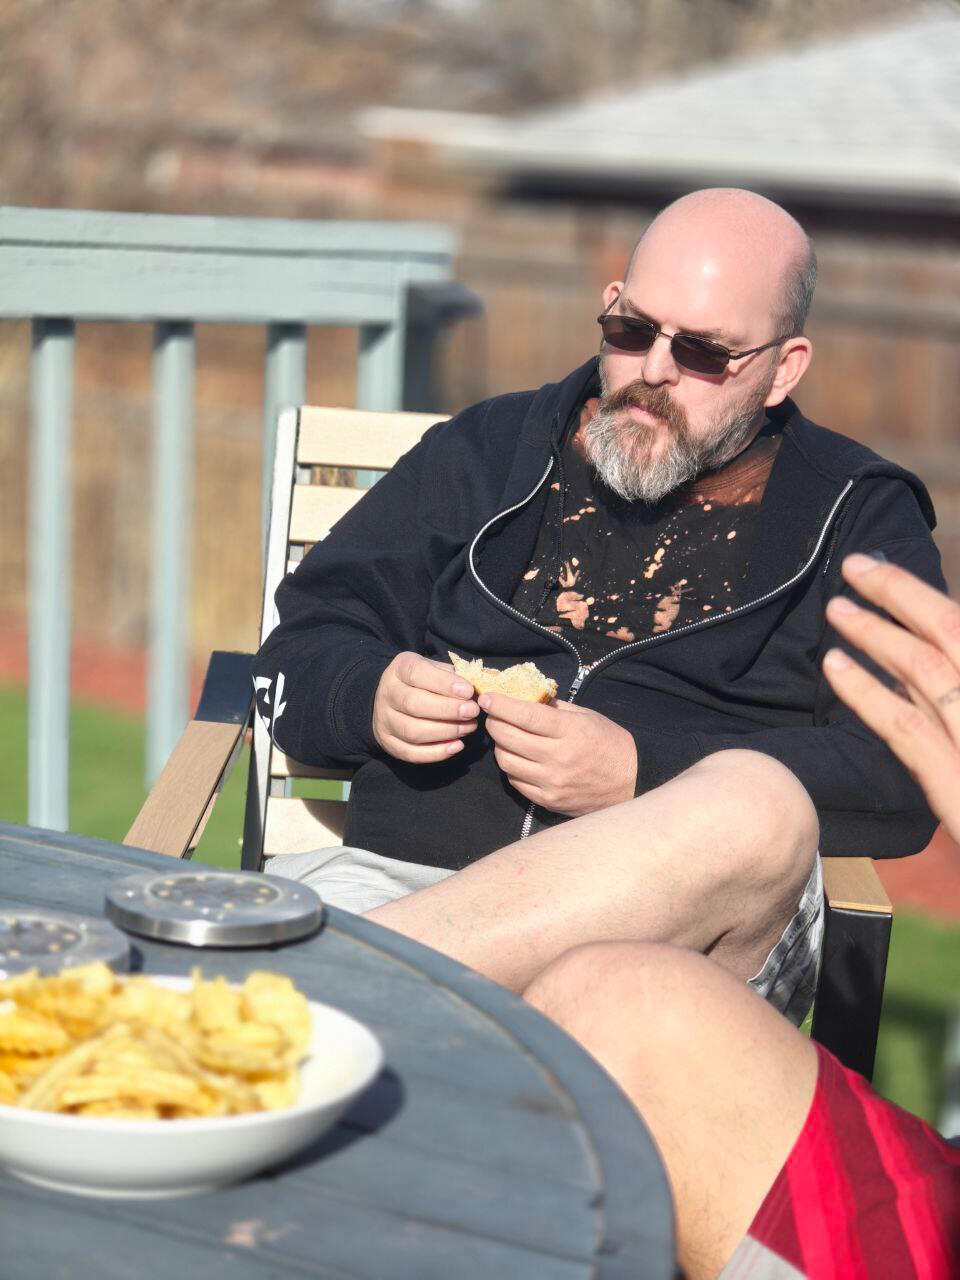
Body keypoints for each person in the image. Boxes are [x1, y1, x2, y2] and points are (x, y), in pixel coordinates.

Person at [253, 187, 944, 1019]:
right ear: (609, 305)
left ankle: (362, 988)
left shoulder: (855, 513)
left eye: (703, 352)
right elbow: (303, 645)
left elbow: (899, 770)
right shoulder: (485, 451)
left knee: (743, 815)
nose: (654, 371)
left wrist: (643, 772)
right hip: (402, 884)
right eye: (632, 330)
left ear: (782, 369)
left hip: (674, 943)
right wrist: (369, 696)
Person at [523, 554, 960, 1280]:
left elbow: (884, 785)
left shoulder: (849, 510)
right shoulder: (473, 482)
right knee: (620, 1000)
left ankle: (339, 996)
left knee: (753, 802)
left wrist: (641, 763)